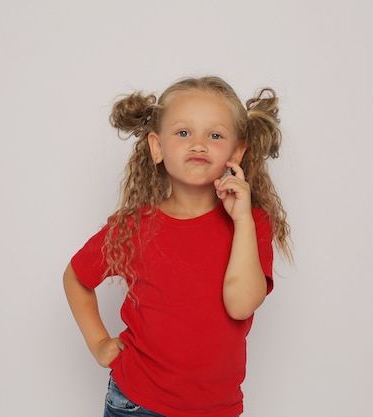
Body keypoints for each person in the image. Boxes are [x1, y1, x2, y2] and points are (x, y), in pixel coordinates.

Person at [63, 75, 291, 417]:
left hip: (217, 409)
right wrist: (99, 343)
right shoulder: (133, 227)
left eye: (215, 135)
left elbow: (241, 305)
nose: (198, 145)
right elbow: (77, 278)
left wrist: (241, 220)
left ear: (237, 151)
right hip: (137, 404)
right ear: (157, 147)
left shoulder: (251, 224)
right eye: (183, 133)